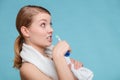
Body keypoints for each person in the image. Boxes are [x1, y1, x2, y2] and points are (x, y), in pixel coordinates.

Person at [13, 5, 83, 80]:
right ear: (26, 31)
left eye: (50, 24)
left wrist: (75, 70)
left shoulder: (51, 56)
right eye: (43, 24)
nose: (51, 30)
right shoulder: (27, 69)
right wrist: (58, 57)